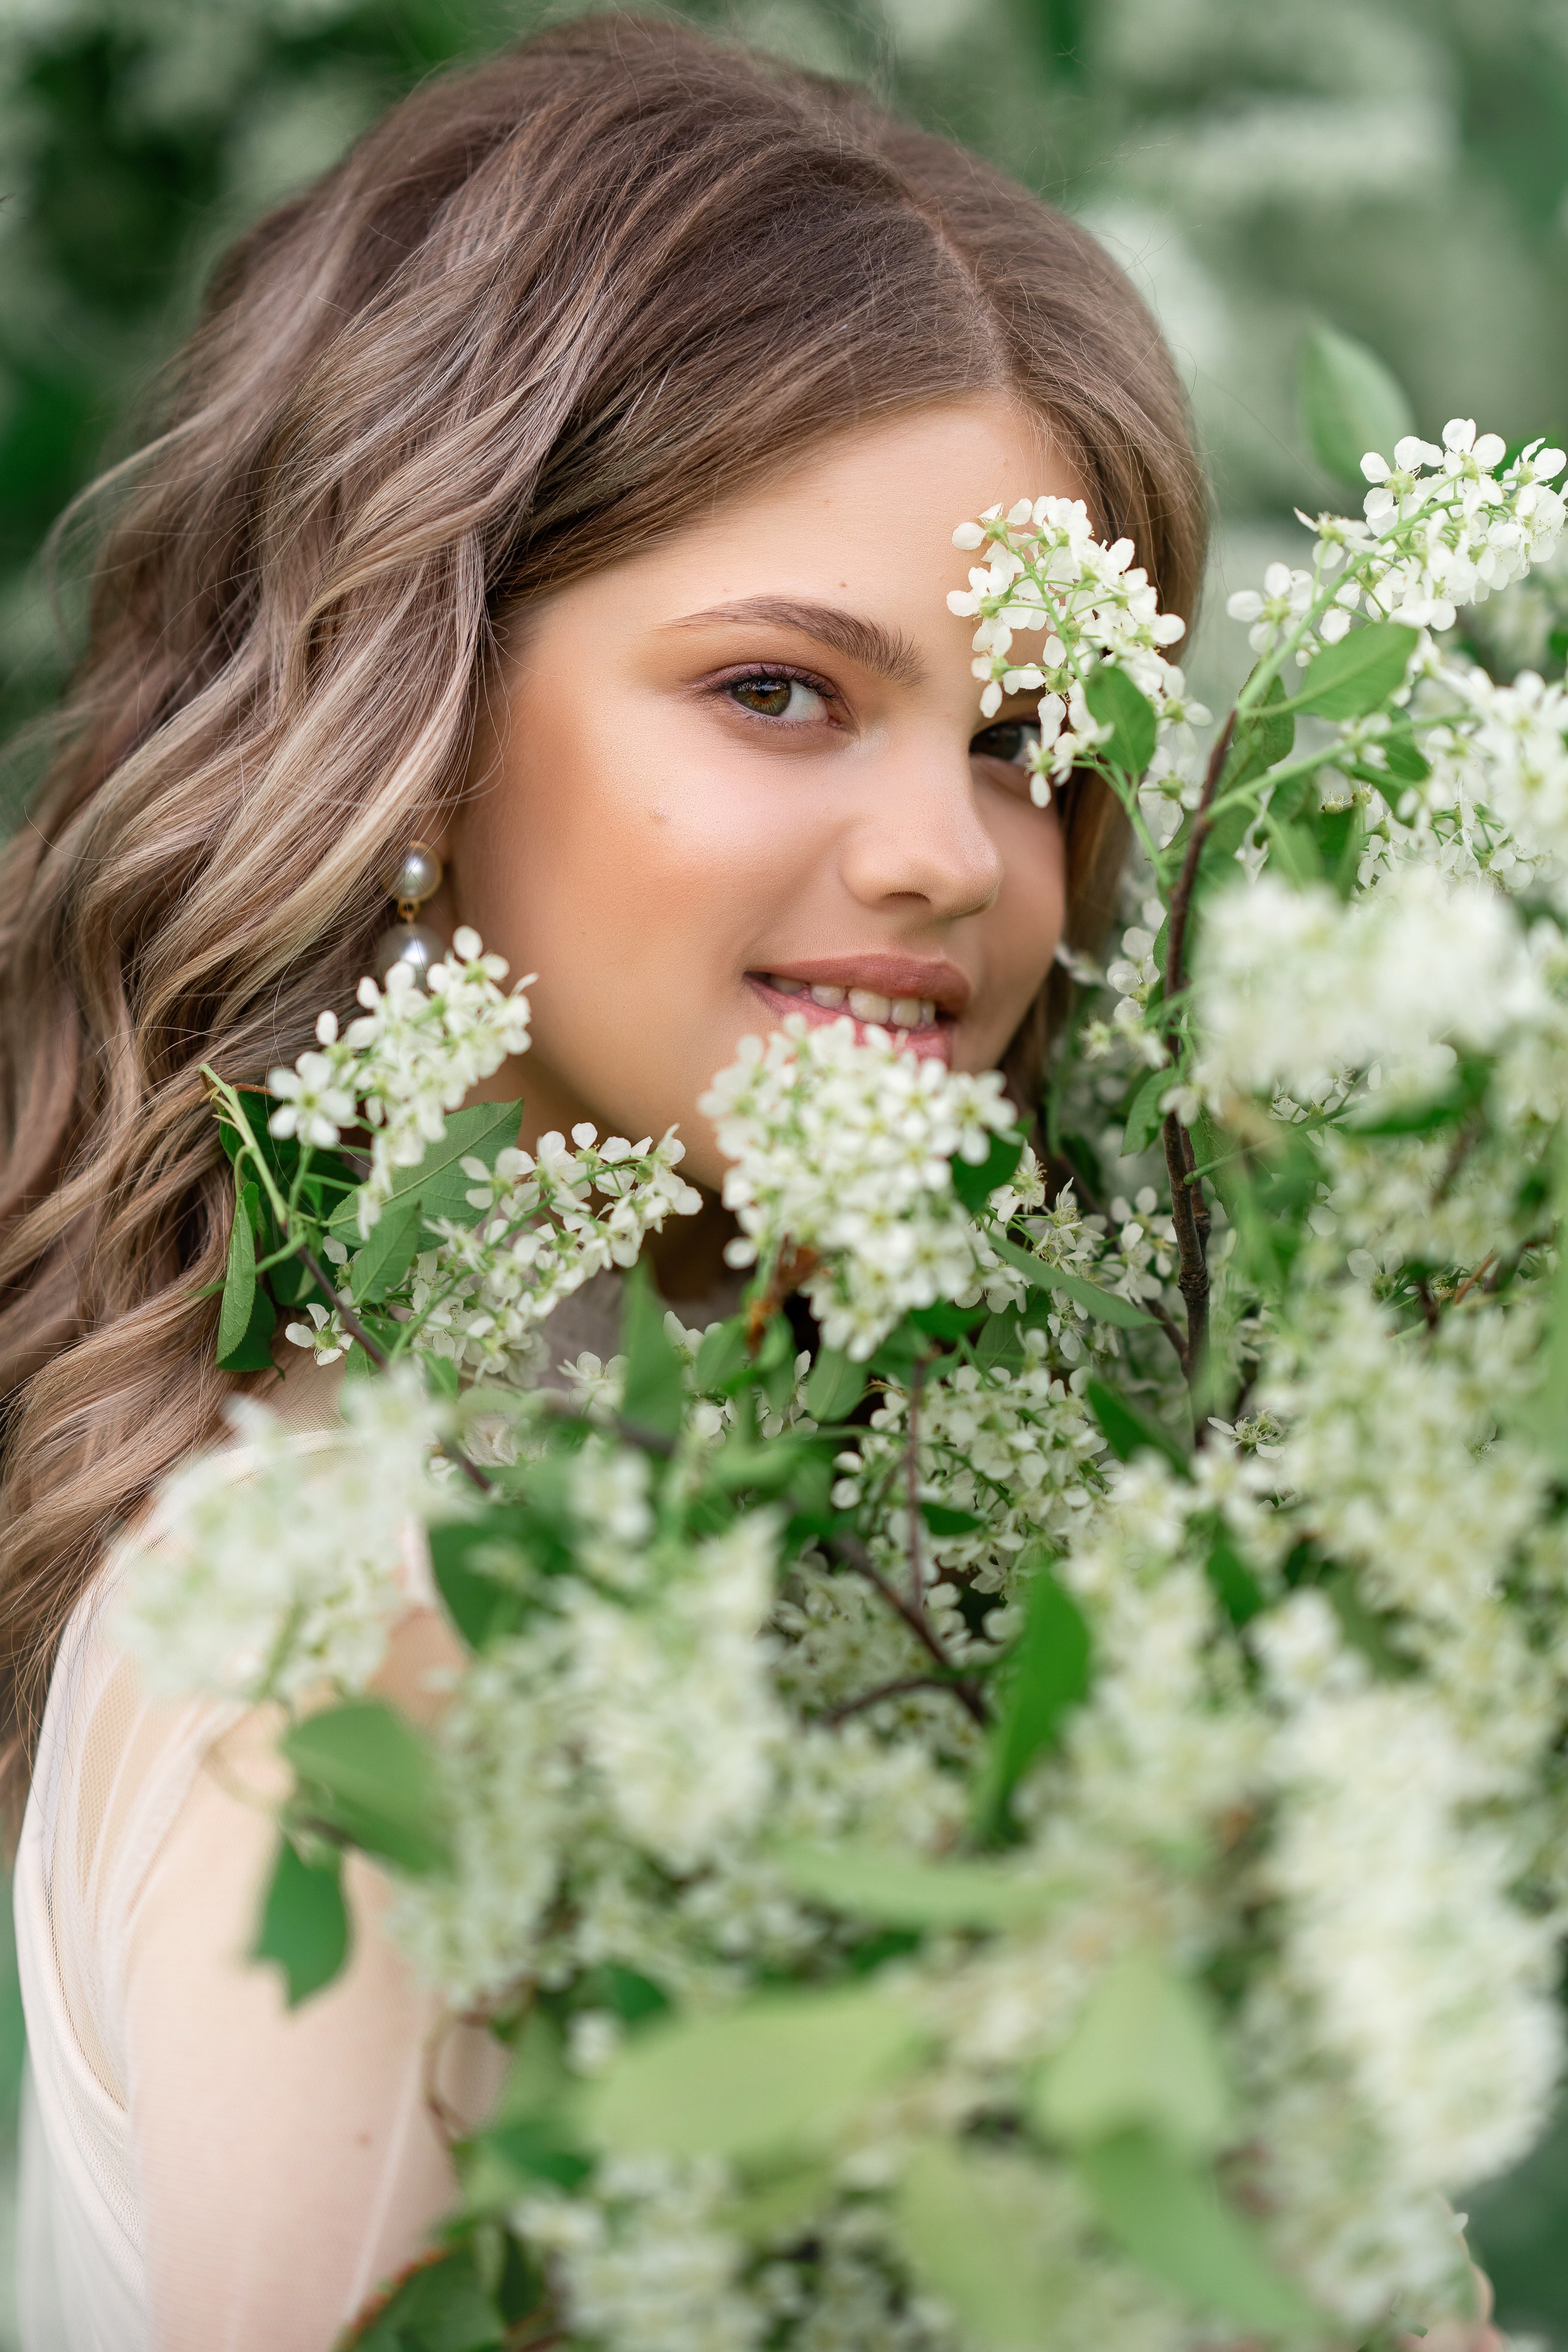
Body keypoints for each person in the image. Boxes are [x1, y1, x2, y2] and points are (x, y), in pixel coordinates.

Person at [0, 14, 1208, 2345]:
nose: (951, 856)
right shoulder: (380, 1637)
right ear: (416, 702)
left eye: (1034, 740)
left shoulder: (815, 1533)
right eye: (778, 689)